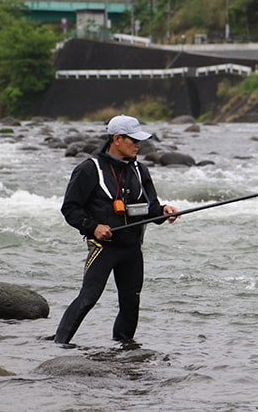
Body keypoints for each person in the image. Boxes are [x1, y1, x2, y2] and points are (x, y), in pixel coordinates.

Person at [54, 115, 179, 344]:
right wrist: (93, 227)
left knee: (131, 303)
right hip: (104, 248)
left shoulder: (140, 171)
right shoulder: (89, 169)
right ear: (117, 139)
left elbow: (150, 207)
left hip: (133, 249)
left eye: (139, 140)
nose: (138, 145)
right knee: (88, 299)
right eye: (133, 140)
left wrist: (164, 212)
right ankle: (58, 347)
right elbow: (70, 209)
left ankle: (124, 350)